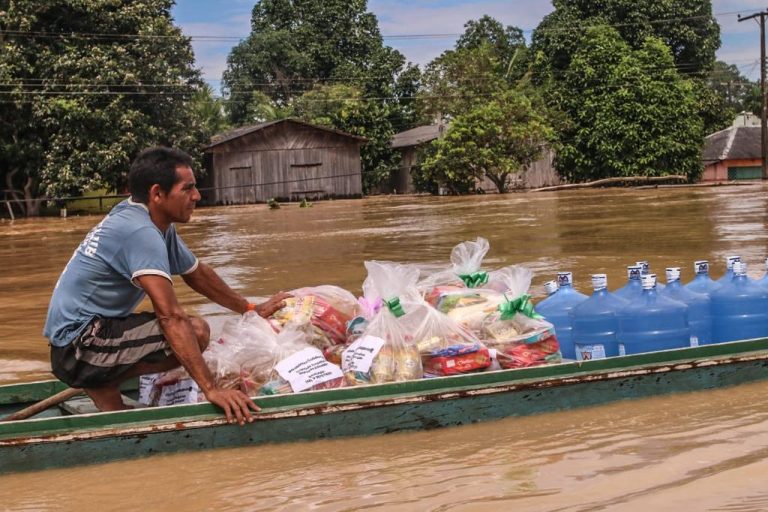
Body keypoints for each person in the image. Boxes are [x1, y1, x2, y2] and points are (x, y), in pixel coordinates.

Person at [43, 147, 288, 425]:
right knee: (195, 332)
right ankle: (99, 380)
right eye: (188, 189)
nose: (197, 196)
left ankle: (103, 385)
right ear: (157, 194)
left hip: (82, 339)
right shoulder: (141, 233)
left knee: (187, 334)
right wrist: (212, 389)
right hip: (79, 348)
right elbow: (171, 317)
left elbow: (196, 274)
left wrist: (250, 308)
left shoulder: (145, 219)